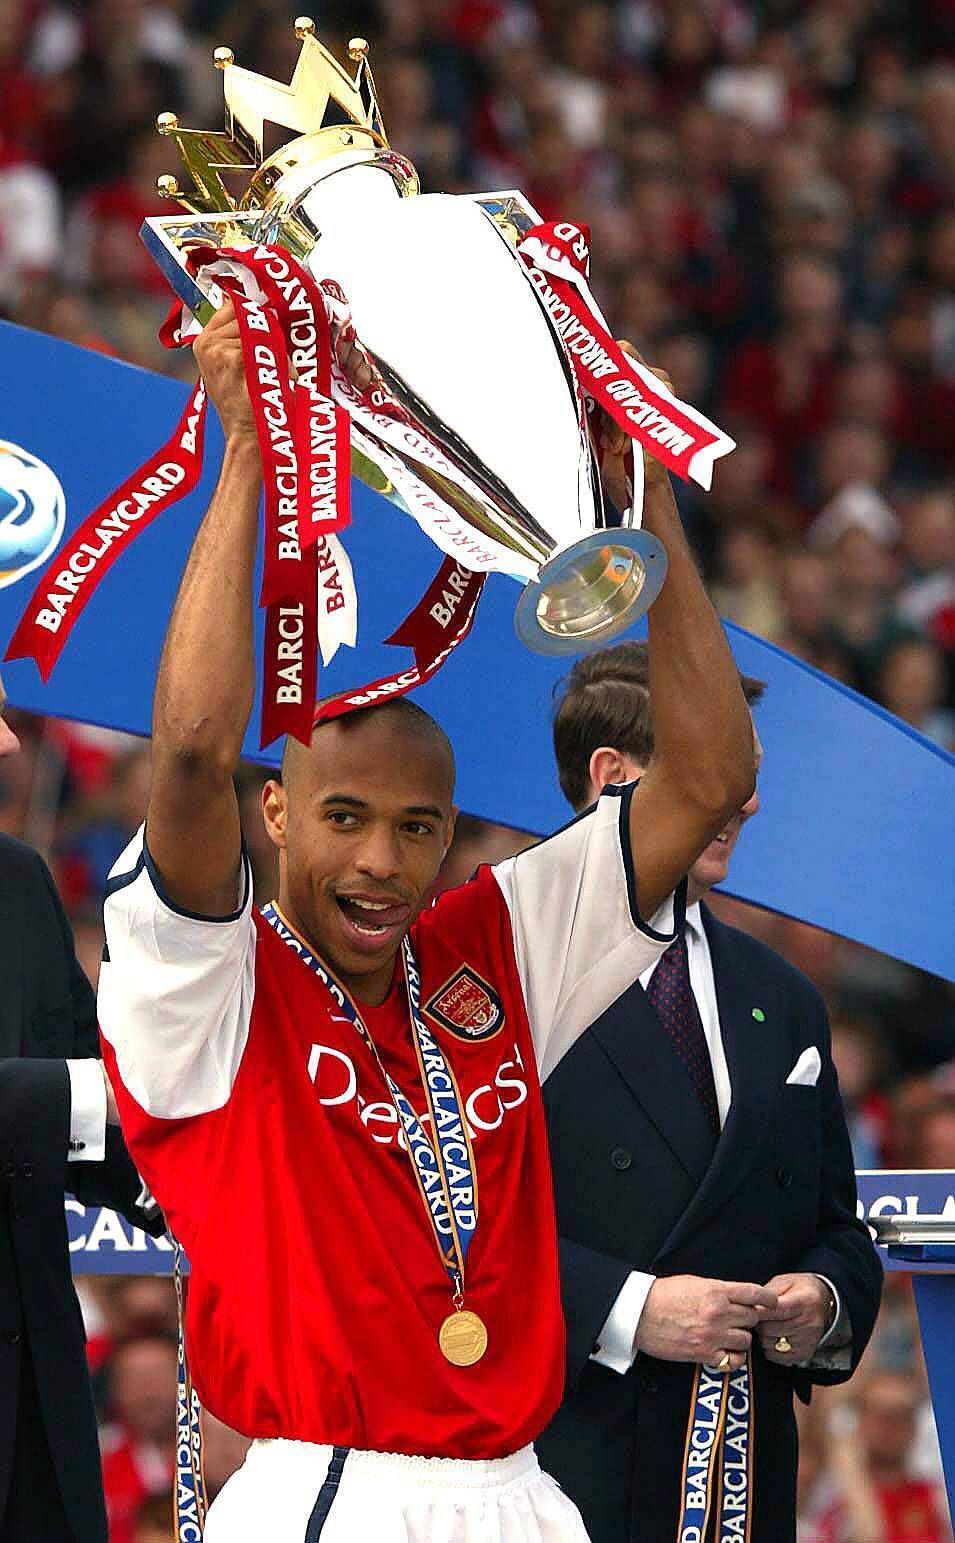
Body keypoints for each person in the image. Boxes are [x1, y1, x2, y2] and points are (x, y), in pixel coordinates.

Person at [97, 302, 758, 1542]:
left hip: (523, 1488)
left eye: (419, 827)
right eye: (345, 816)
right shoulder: (204, 980)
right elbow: (191, 753)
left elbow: (708, 776)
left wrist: (647, 501)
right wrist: (245, 452)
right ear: (278, 812)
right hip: (330, 1487)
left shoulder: (493, 944)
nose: (385, 861)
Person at [536, 640, 883, 1543]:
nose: (750, 801)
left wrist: (822, 1298)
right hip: (554, 1467)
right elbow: (444, 1225)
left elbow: (836, 1226)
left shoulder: (782, 996)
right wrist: (629, 1309)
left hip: (738, 1481)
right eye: (719, 766)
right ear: (611, 774)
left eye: (750, 771)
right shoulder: (492, 973)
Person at [0, 672, 164, 1543]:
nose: (10, 744)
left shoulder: (20, 882)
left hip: (31, 1422)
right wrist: (89, 1095)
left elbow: (99, 1121)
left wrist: (210, 1171)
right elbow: (77, 1096)